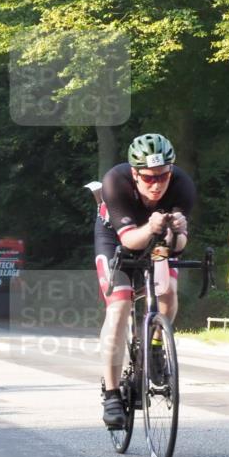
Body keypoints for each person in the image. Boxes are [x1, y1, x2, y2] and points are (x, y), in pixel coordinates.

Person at [94, 134, 196, 428]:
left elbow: (178, 246)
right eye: (149, 177)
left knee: (168, 291)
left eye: (163, 176)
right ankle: (112, 394)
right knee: (119, 307)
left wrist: (176, 232)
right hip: (116, 239)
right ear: (135, 174)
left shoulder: (182, 184)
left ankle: (154, 346)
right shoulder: (116, 181)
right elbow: (129, 241)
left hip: (156, 240)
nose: (156, 184)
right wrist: (151, 227)